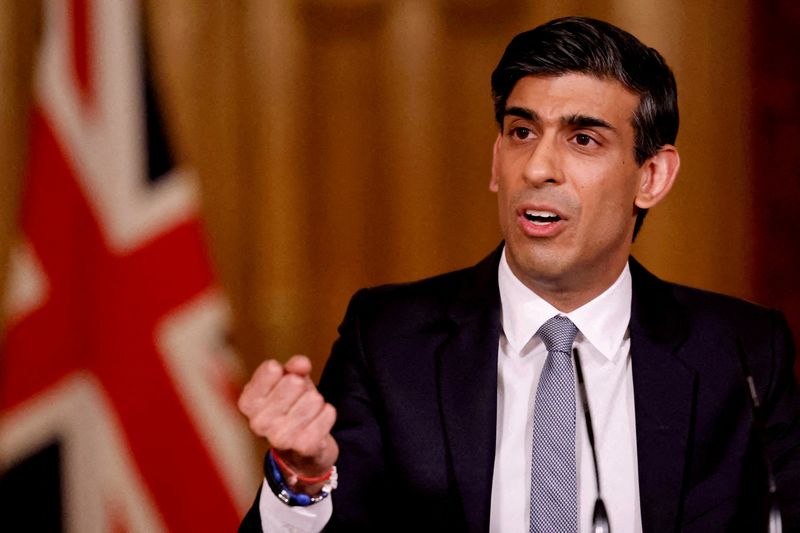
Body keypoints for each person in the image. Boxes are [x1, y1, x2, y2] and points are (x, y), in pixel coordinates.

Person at [237, 16, 800, 533]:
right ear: (495, 160)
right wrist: (301, 481)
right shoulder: (389, 340)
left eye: (583, 139)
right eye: (522, 132)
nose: (536, 167)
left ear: (651, 176)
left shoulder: (742, 353)